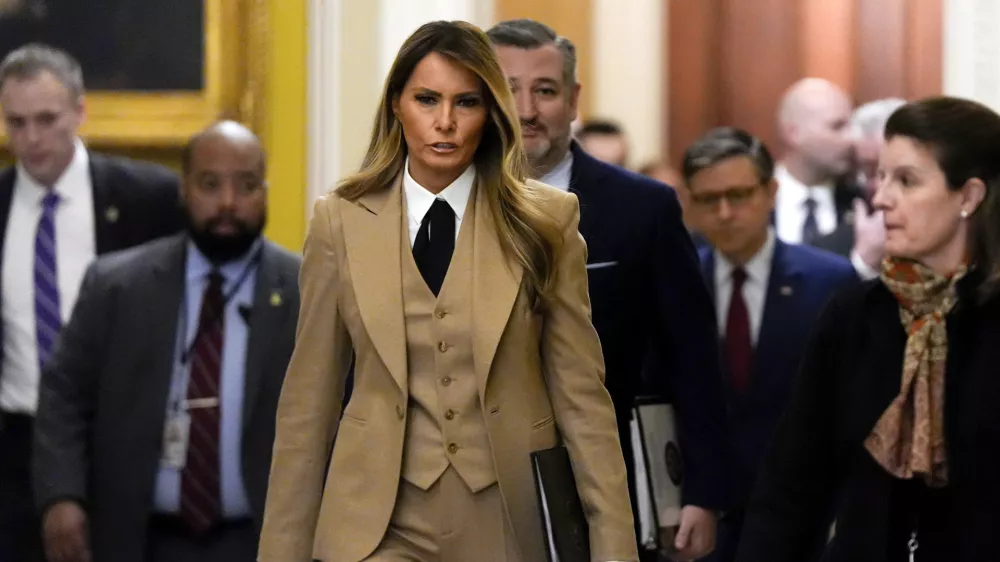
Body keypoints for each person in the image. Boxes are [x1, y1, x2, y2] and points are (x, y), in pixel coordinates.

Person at [258, 21, 636, 562]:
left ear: (491, 112)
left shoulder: (546, 222)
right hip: (374, 525)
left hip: (507, 518)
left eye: (467, 102)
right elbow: (308, 403)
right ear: (396, 104)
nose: (445, 122)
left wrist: (614, 548)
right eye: (427, 99)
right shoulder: (339, 222)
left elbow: (583, 400)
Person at [487, 19, 729, 561]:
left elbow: (693, 357)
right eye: (508, 89)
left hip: (613, 484)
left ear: (572, 99)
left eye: (545, 91)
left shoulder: (645, 209)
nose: (526, 110)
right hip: (479, 491)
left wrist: (703, 493)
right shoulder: (443, 209)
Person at [737, 96, 1000, 562]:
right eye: (881, 177)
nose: (880, 198)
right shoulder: (858, 312)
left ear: (969, 196)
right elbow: (792, 481)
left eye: (906, 181)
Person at [32, 121, 301, 562]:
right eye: (210, 185)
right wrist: (61, 495)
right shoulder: (117, 285)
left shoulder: (306, 290)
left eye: (247, 185)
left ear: (266, 192)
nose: (228, 203)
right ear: (184, 190)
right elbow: (63, 393)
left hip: (261, 541)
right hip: (138, 538)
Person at [0, 43, 181, 561]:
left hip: (121, 445)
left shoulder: (149, 199)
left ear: (80, 111)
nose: (31, 139)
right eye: (15, 123)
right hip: (16, 448)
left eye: (46, 119)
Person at [681, 127, 858, 562]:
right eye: (709, 200)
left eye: (739, 195)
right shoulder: (680, 285)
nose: (725, 212)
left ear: (771, 191)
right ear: (690, 204)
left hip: (806, 522)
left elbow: (851, 408)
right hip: (706, 520)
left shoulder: (830, 282)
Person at [816, 98, 907, 279]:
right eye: (868, 171)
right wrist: (864, 264)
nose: (878, 186)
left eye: (897, 173)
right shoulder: (828, 248)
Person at [773, 78, 860, 246]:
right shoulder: (753, 201)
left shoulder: (860, 203)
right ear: (793, 133)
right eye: (837, 126)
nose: (852, 138)